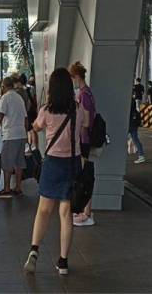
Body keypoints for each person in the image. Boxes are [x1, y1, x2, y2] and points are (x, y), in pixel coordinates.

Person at [24, 68, 84, 275]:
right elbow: (84, 127)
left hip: (53, 163)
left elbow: (36, 127)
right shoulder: (78, 109)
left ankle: (34, 251)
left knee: (43, 210)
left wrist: (35, 123)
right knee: (65, 213)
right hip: (73, 163)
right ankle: (63, 262)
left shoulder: (46, 111)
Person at [0, 77, 28, 198]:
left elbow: (0, 115)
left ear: (3, 86)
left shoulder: (6, 97)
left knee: (7, 162)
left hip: (11, 135)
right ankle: (18, 187)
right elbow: (26, 118)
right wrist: (25, 133)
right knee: (19, 162)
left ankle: (6, 189)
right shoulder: (19, 97)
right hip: (21, 134)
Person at [68, 61, 96, 227]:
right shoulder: (89, 93)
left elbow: (85, 122)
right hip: (87, 139)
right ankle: (85, 211)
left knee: (84, 178)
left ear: (76, 77)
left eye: (72, 77)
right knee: (85, 176)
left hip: (84, 139)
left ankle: (86, 212)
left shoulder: (83, 95)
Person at [129, 97, 146, 163]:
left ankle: (141, 155)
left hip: (130, 124)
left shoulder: (129, 100)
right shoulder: (134, 109)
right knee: (135, 139)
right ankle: (141, 155)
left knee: (135, 140)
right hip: (133, 124)